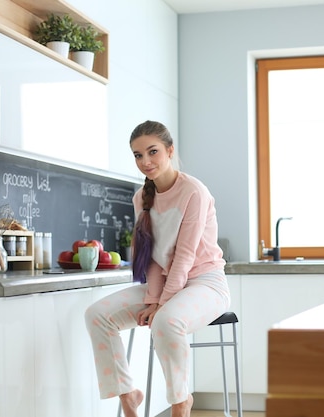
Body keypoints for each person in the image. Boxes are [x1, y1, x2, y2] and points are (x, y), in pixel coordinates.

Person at [85, 120, 230, 417]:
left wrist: (161, 305)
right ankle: (128, 396)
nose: (145, 162)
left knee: (165, 321)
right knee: (97, 315)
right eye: (138, 155)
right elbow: (150, 256)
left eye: (152, 152)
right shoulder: (141, 197)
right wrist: (154, 299)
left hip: (206, 283)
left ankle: (180, 403)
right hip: (164, 284)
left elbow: (186, 255)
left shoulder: (194, 191)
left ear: (170, 150)